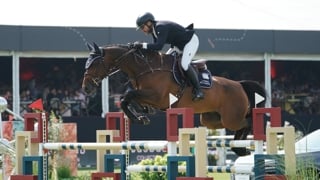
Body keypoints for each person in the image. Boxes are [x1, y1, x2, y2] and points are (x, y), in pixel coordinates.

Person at [133, 12, 204, 101]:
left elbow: (159, 46)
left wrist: (142, 45)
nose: (143, 30)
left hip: (190, 42)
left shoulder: (160, 27)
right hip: (178, 45)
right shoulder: (155, 30)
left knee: (184, 64)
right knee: (165, 61)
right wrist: (139, 48)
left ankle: (199, 90)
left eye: (143, 27)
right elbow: (155, 49)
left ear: (149, 23)